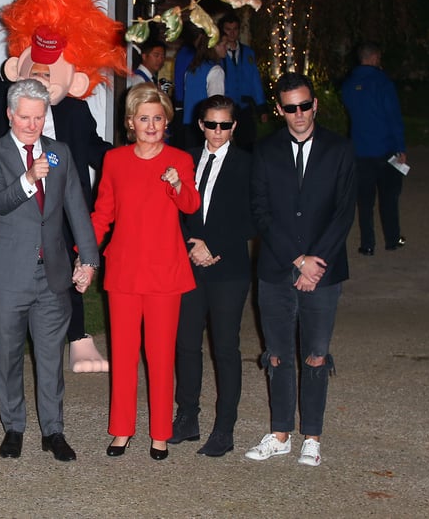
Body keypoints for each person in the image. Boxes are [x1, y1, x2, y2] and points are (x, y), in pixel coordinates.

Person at [0, 0, 127, 375]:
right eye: (38, 71)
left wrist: (133, 158)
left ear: (74, 81)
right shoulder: (7, 103)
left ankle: (79, 337)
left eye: (52, 75)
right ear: (18, 70)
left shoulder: (74, 111)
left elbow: (96, 148)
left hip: (62, 208)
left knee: (67, 268)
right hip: (15, 203)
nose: (43, 80)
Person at [0, 79, 100, 462]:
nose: (32, 125)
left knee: (51, 358)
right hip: (8, 276)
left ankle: (53, 431)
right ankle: (14, 428)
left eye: (38, 117)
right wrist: (29, 178)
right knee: (9, 356)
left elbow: (76, 207)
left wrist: (90, 259)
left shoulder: (59, 153)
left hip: (54, 274)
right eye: (25, 117)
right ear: (11, 114)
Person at [245, 72, 356, 467]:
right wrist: (296, 259)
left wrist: (314, 263)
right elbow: (260, 210)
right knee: (276, 355)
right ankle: (280, 433)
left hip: (324, 270)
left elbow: (344, 212)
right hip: (276, 268)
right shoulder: (265, 150)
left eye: (305, 105)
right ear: (279, 110)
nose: (299, 114)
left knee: (315, 355)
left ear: (315, 105)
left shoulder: (339, 150)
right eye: (290, 108)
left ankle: (312, 435)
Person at [92, 83, 200, 461]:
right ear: (130, 122)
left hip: (164, 272)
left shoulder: (180, 159)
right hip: (123, 270)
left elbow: (190, 205)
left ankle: (160, 434)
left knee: (159, 355)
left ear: (166, 120)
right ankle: (121, 430)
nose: (152, 125)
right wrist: (84, 254)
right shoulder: (115, 161)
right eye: (144, 118)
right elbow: (103, 212)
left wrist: (175, 184)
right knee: (122, 355)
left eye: (158, 117)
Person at [168, 95, 254, 457]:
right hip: (187, 263)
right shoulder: (183, 159)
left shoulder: (250, 164)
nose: (217, 132)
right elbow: (171, 209)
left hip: (228, 268)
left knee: (225, 347)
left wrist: (212, 246)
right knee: (185, 342)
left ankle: (224, 428)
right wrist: (192, 245)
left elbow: (254, 216)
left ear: (234, 127)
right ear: (200, 124)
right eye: (211, 124)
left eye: (225, 125)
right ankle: (187, 416)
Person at [341, 41, 407, 256]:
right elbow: (393, 117)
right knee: (389, 197)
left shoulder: (349, 84)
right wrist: (400, 147)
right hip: (385, 147)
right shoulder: (383, 82)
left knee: (365, 200)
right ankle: (392, 238)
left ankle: (367, 244)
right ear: (375, 57)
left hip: (360, 149)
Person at [217, 13, 269, 152]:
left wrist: (261, 107)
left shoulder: (248, 53)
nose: (232, 33)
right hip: (226, 106)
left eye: (235, 29)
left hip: (245, 107)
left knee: (248, 145)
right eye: (228, 29)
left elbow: (255, 80)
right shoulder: (218, 54)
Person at [182, 32, 227, 149]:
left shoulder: (192, 69)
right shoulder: (215, 70)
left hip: (188, 123)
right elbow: (216, 104)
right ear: (214, 46)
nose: (226, 48)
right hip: (205, 126)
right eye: (223, 45)